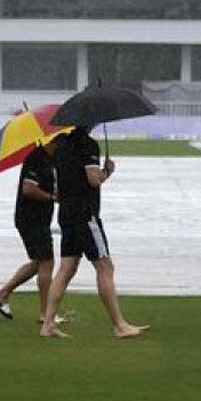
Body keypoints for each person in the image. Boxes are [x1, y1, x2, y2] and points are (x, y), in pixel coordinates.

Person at [39, 126, 148, 340]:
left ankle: (48, 323)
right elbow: (93, 179)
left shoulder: (60, 145)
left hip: (66, 214)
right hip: (85, 215)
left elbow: (58, 186)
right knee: (105, 266)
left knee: (67, 268)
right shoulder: (88, 144)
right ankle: (119, 325)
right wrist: (107, 171)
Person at [0, 135, 66, 323]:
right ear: (53, 144)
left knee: (38, 263)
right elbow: (28, 189)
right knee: (47, 263)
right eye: (60, 146)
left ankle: (2, 294)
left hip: (36, 220)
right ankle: (45, 314)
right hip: (31, 219)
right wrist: (51, 197)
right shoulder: (36, 158)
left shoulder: (47, 159)